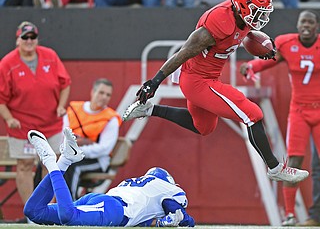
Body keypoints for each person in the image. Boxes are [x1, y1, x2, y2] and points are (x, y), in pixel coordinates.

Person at [122, 0, 309, 186]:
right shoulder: (217, 22)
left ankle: (149, 110)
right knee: (252, 114)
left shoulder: (242, 17)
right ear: (242, 6)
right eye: (258, 11)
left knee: (203, 127)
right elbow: (182, 53)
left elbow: (245, 35)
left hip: (207, 77)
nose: (262, 17)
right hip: (198, 81)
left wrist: (263, 47)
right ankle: (275, 168)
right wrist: (154, 82)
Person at [239, 10, 320, 226]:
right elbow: (269, 60)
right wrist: (251, 66)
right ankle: (290, 214)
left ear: (317, 26)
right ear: (298, 23)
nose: (306, 25)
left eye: (311, 22)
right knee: (293, 159)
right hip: (299, 110)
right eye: (303, 21)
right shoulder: (286, 43)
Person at [24, 127, 195, 227]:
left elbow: (144, 219)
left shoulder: (139, 188)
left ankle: (65, 160)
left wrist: (161, 222)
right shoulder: (166, 189)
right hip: (114, 209)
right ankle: (50, 161)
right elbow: (177, 211)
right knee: (68, 216)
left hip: (101, 200)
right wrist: (183, 220)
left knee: (34, 212)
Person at [0, 21, 71, 206]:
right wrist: (9, 118)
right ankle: (31, 210)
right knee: (24, 165)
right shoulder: (7, 63)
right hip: (22, 127)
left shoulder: (50, 56)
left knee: (52, 166)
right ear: (18, 40)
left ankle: (48, 209)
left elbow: (65, 83)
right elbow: (1, 99)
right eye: (25, 37)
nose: (29, 41)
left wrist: (61, 106)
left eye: (33, 37)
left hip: (51, 124)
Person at [63, 78, 122, 200]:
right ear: (92, 92)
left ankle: (70, 207)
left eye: (108, 95)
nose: (104, 97)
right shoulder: (74, 110)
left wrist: (77, 152)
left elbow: (104, 149)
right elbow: (62, 135)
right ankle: (36, 210)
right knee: (43, 166)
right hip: (69, 153)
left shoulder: (111, 118)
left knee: (72, 165)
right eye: (101, 93)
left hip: (97, 160)